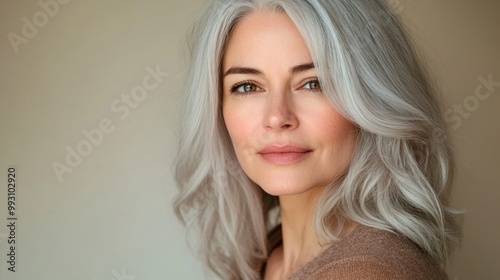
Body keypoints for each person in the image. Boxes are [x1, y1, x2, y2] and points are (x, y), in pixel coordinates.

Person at [173, 0, 462, 279]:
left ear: (371, 99)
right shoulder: (268, 258)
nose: (277, 117)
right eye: (247, 86)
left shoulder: (366, 274)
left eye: (314, 83)